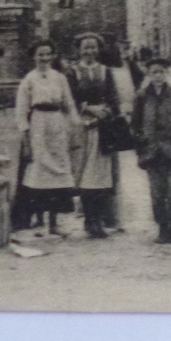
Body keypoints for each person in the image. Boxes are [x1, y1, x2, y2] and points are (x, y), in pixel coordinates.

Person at [14, 39, 79, 237]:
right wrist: (25, 134)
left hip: (56, 124)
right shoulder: (29, 80)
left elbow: (69, 103)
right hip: (38, 125)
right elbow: (21, 110)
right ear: (34, 57)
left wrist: (75, 127)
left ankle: (54, 222)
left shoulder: (59, 78)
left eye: (47, 54)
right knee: (39, 170)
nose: (43, 58)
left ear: (53, 56)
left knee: (58, 171)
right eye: (39, 54)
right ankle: (38, 220)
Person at [66, 32, 123, 238]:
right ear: (79, 50)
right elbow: (70, 100)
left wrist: (105, 113)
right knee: (85, 176)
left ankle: (100, 219)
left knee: (101, 175)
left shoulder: (105, 71)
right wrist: (89, 111)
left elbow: (113, 98)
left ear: (98, 50)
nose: (89, 51)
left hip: (102, 129)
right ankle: (89, 219)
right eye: (85, 48)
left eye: (93, 47)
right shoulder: (72, 72)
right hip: (82, 128)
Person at [131, 56, 171, 245]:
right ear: (149, 74)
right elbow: (135, 125)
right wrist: (141, 143)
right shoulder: (141, 96)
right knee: (157, 193)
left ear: (167, 73)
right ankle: (163, 229)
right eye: (154, 72)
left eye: (161, 72)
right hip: (152, 152)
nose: (158, 76)